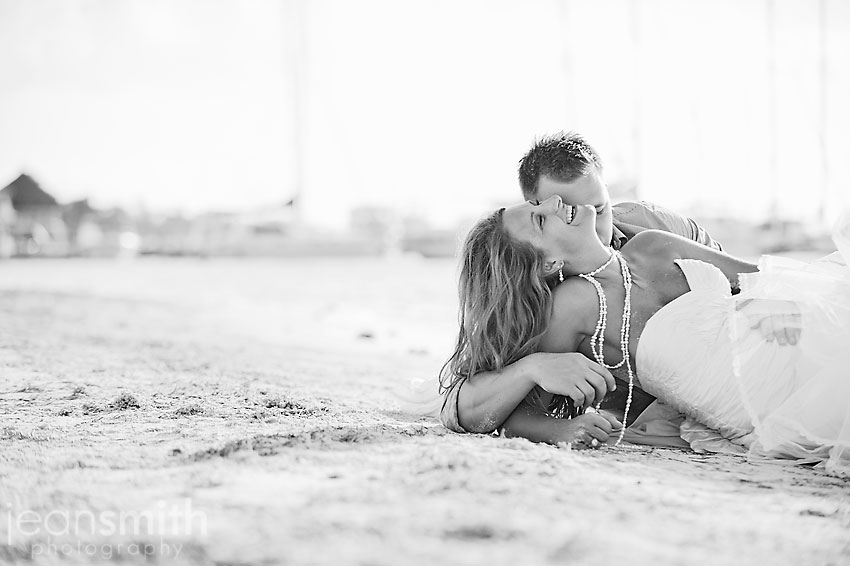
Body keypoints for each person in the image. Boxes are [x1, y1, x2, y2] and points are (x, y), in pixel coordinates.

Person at [442, 195, 850, 474]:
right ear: (548, 263)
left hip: (795, 340)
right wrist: (559, 423)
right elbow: (508, 415)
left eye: (537, 203)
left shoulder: (654, 245)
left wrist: (776, 303)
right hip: (768, 402)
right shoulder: (572, 306)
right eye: (540, 217)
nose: (553, 201)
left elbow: (760, 277)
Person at [441, 132, 722, 445]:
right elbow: (465, 404)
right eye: (568, 208)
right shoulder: (541, 288)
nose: (595, 223)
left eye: (600, 208)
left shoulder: (657, 229)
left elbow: (745, 297)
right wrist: (534, 369)